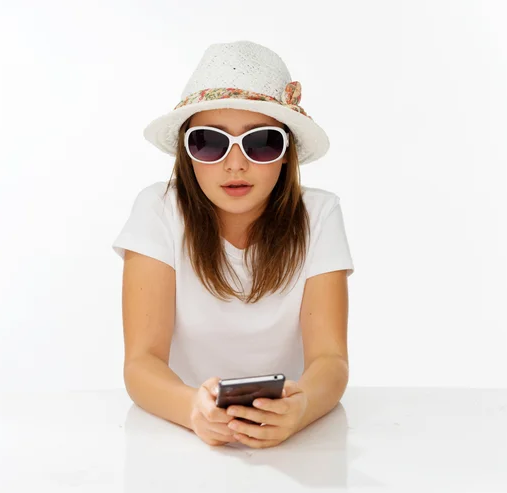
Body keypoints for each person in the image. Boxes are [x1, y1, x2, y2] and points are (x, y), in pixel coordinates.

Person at [112, 40, 355, 449]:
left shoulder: (320, 214)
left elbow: (330, 359)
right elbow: (141, 363)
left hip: (293, 450)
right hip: (176, 441)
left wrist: (301, 407)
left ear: (285, 154)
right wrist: (193, 409)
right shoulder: (158, 210)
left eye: (261, 142)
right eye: (210, 142)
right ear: (187, 154)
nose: (235, 164)